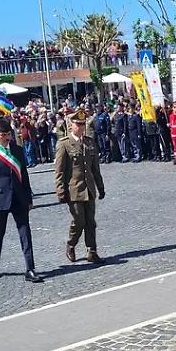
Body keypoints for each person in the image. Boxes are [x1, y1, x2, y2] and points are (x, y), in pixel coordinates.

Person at [0, 116, 42, 282]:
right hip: (0, 199)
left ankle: (30, 268)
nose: (8, 137)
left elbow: (24, 175)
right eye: (4, 135)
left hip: (19, 198)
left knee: (25, 233)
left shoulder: (17, 150)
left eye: (9, 134)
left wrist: (29, 198)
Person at [54, 108, 106, 264]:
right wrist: (61, 191)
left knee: (91, 221)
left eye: (83, 124)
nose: (81, 127)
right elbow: (59, 171)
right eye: (78, 124)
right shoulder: (64, 144)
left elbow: (95, 168)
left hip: (89, 188)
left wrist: (100, 187)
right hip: (74, 190)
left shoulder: (89, 143)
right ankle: (71, 244)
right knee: (79, 221)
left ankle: (92, 250)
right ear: (71, 125)